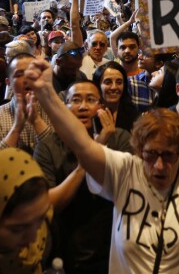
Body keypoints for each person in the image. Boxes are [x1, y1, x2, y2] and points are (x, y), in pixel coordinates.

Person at [24, 47, 179, 272]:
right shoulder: (124, 170)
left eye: (168, 155)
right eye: (150, 154)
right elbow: (81, 142)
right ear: (139, 150)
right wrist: (46, 93)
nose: (159, 165)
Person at [34, 80, 133, 273]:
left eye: (90, 100)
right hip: (65, 250)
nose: (82, 107)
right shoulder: (48, 147)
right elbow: (49, 204)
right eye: (75, 100)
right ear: (64, 107)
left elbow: (128, 191)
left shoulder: (120, 139)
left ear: (102, 107)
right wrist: (95, 150)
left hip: (114, 246)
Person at [0, 54, 53, 153]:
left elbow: (61, 157)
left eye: (32, 72)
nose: (27, 78)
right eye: (19, 74)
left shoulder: (55, 114)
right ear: (8, 83)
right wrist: (16, 129)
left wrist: (37, 120)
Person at [92, 61, 139, 132]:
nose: (114, 87)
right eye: (108, 82)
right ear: (98, 85)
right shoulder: (90, 114)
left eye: (119, 82)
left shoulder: (133, 114)